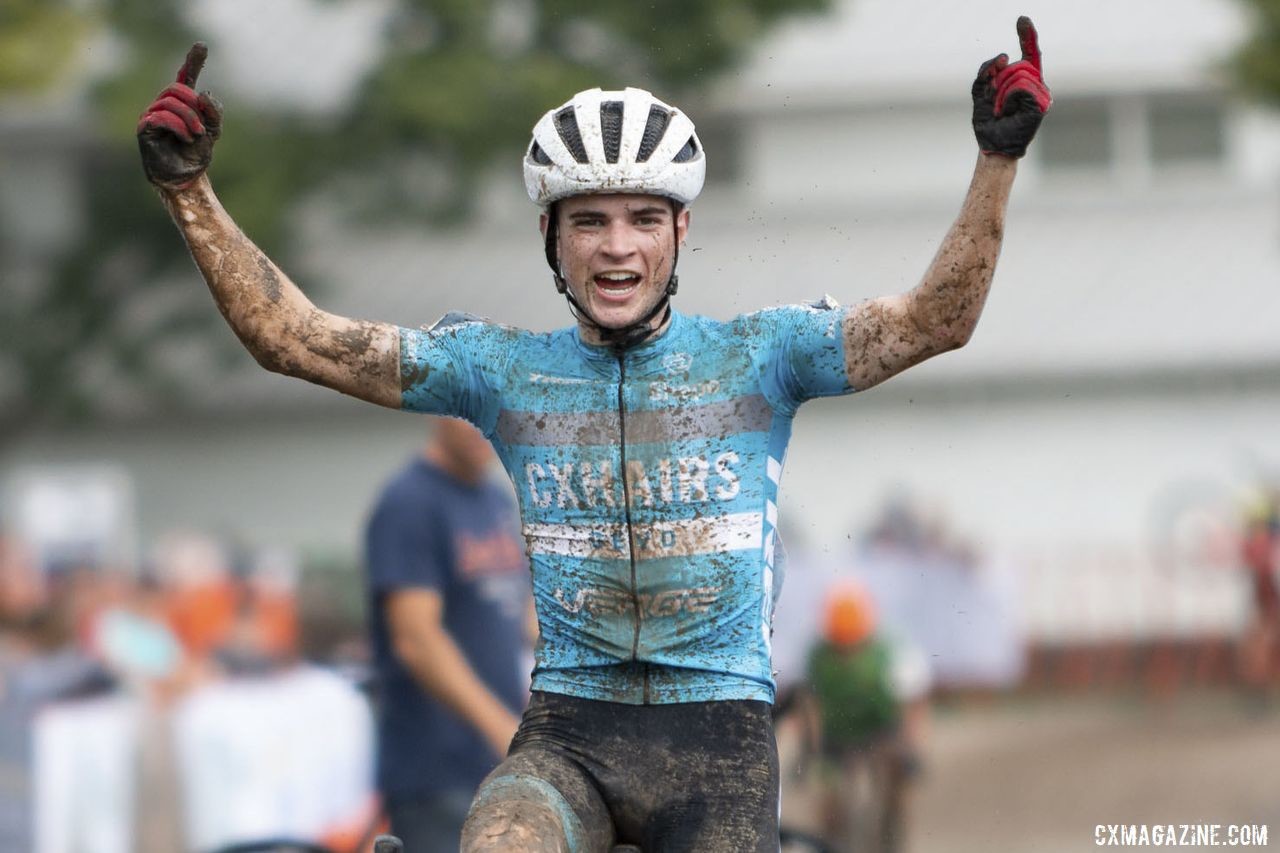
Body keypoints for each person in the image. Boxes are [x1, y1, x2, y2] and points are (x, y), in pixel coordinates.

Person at [136, 18, 1051, 851]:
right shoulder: (495, 369)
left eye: (644, 218)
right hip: (568, 733)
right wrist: (189, 191)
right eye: (590, 221)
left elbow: (939, 319)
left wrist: (996, 161)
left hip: (720, 748)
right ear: (550, 234)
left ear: (682, 230)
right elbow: (292, 339)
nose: (618, 246)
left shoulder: (764, 353)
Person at [364, 418, 532, 852]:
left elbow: (523, 619)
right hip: (436, 774)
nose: (483, 426)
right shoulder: (410, 502)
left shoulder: (495, 498)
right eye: (466, 412)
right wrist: (501, 728)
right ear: (436, 408)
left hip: (499, 764)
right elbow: (416, 640)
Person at [804, 581, 930, 853]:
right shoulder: (818, 657)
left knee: (897, 784)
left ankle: (891, 839)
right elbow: (810, 705)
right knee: (830, 800)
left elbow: (912, 702)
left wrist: (910, 744)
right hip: (836, 738)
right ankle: (832, 842)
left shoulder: (890, 653)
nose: (847, 652)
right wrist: (813, 749)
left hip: (881, 733)